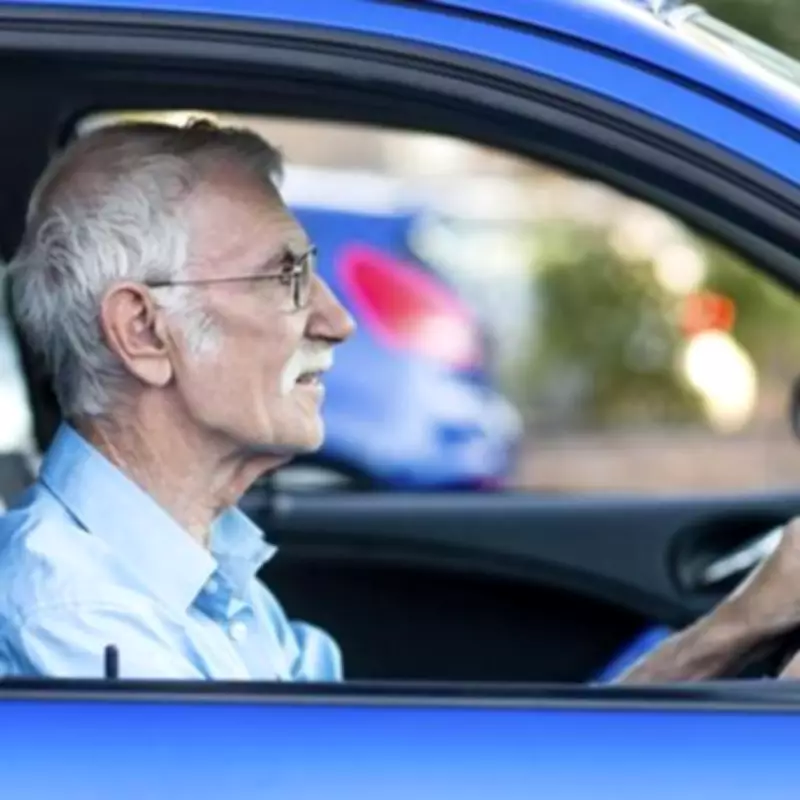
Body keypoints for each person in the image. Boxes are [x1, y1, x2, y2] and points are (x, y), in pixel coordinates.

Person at [0, 120, 355, 679]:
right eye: (288, 276)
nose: (339, 321)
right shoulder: (77, 616)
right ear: (142, 330)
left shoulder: (199, 570)